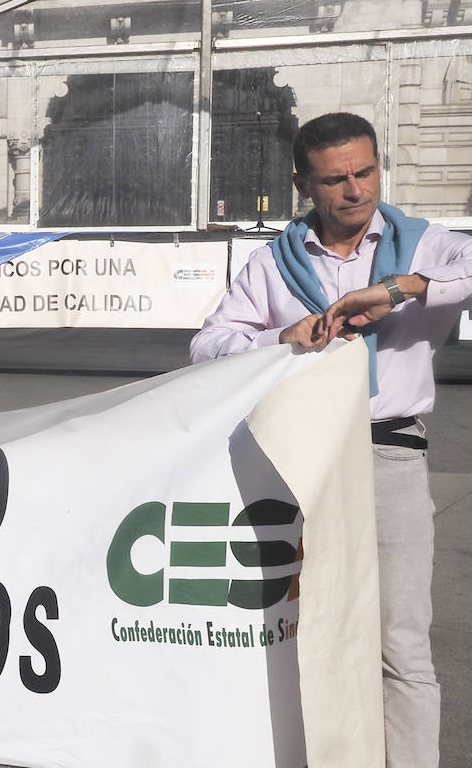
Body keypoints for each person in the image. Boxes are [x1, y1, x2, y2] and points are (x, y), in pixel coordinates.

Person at [190, 111, 472, 768]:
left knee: (400, 647)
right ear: (303, 184)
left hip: (389, 454)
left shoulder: (425, 244)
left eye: (365, 171)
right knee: (304, 634)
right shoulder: (272, 262)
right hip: (300, 458)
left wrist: (400, 290)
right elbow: (206, 346)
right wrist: (280, 339)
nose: (355, 190)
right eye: (335, 179)